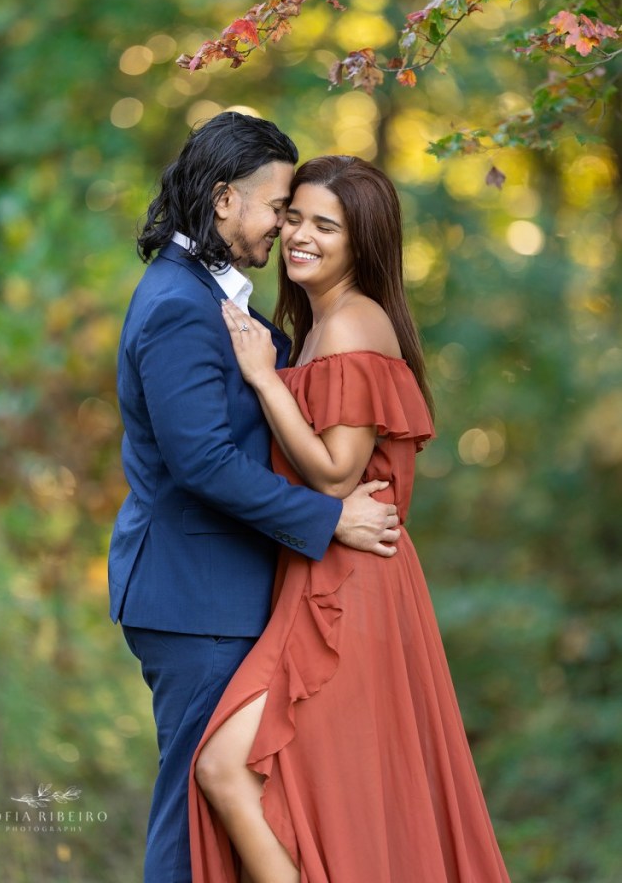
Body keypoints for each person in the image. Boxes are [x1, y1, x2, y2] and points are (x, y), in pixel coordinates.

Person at [191, 155, 512, 883]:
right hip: (321, 577)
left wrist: (263, 379)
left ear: (361, 242)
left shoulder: (352, 323)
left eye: (324, 225)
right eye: (293, 217)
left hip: (348, 593)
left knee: (230, 769)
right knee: (303, 793)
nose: (299, 235)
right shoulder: (321, 322)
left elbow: (336, 472)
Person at [109, 115, 402, 883]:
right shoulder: (178, 304)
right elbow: (201, 460)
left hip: (226, 592)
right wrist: (331, 517)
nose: (283, 225)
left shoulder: (215, 293)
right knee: (193, 819)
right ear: (223, 199)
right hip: (195, 599)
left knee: (236, 814)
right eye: (278, 206)